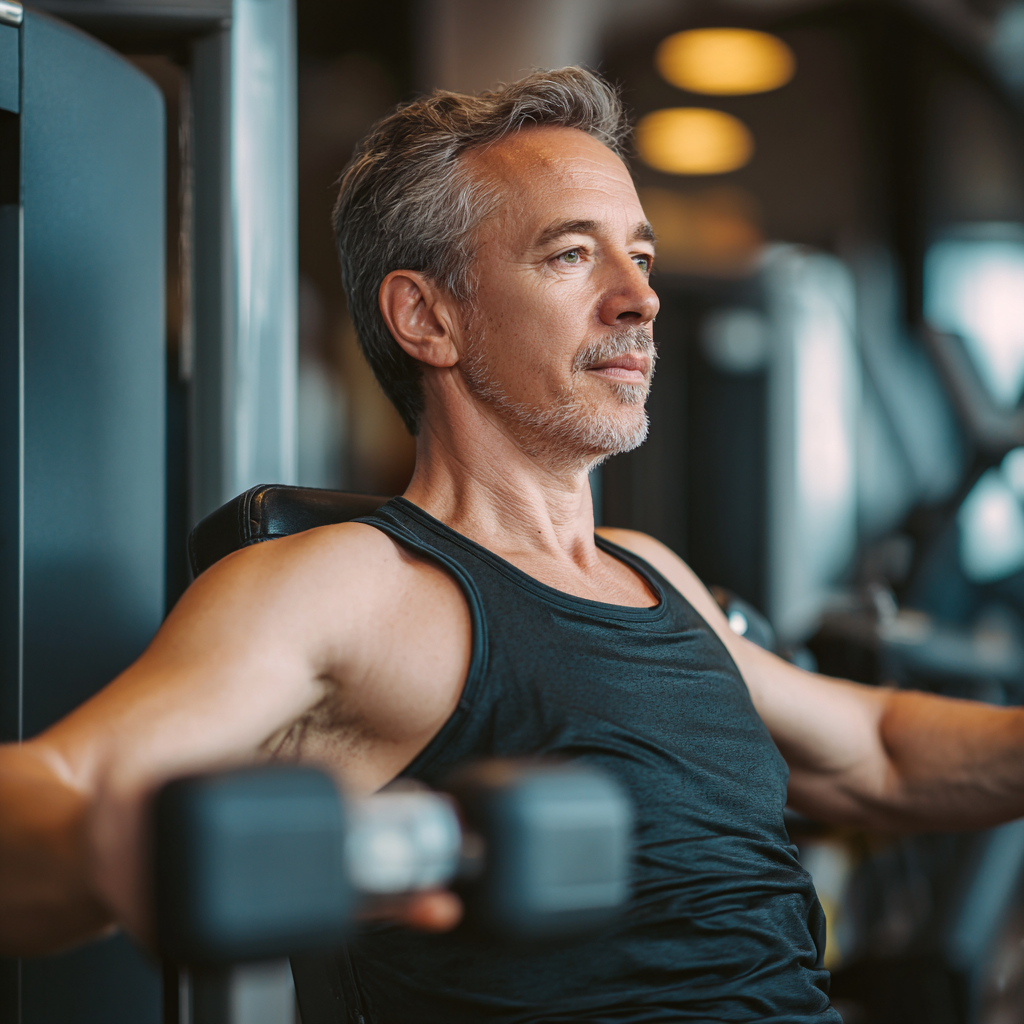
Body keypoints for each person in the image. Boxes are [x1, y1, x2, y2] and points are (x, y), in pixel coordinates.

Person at [2, 66, 1023, 1022]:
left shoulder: (650, 570)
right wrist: (141, 849)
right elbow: (53, 792)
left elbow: (876, 751)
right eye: (573, 254)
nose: (640, 295)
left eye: (642, 254)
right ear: (428, 318)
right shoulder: (352, 584)